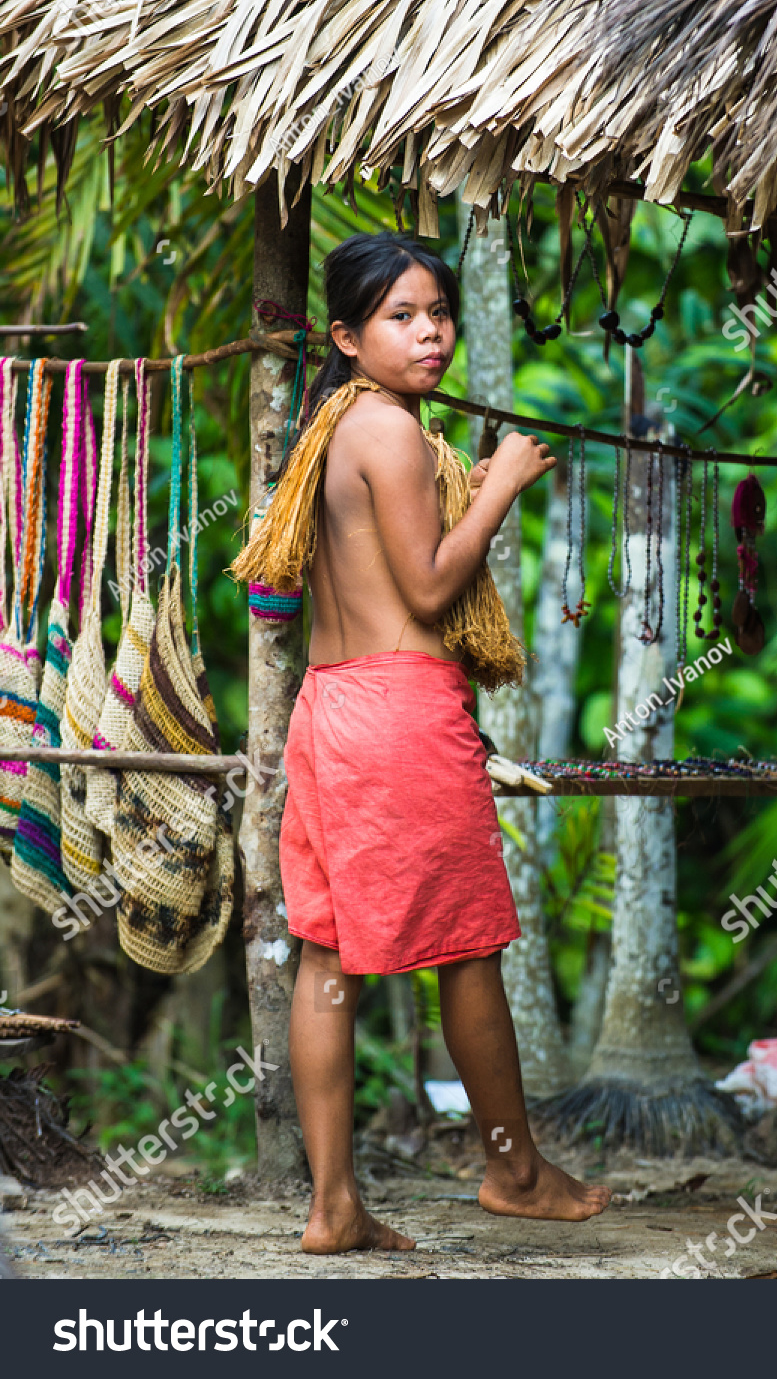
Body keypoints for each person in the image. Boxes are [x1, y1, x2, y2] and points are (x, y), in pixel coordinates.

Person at [231, 232, 611, 1254]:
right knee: (470, 949)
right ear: (348, 336)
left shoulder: (336, 423)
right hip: (400, 713)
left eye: (437, 311)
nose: (430, 331)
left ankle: (331, 1204)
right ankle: (515, 1169)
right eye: (401, 316)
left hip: (332, 705)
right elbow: (431, 584)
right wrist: (500, 486)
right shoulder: (391, 432)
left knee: (326, 952)